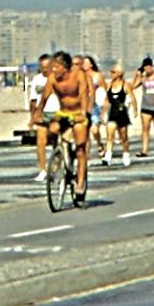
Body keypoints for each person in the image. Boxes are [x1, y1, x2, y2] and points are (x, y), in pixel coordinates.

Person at [39, 50, 93, 201]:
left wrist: (83, 113)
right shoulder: (52, 79)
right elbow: (44, 97)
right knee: (53, 129)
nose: (53, 70)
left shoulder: (78, 75)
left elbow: (83, 94)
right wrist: (37, 114)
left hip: (78, 113)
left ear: (64, 67)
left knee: (81, 149)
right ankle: (58, 157)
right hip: (63, 112)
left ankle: (80, 183)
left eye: (56, 67)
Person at [132, 56, 154, 157]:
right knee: (145, 129)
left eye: (148, 67)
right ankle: (144, 150)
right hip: (145, 106)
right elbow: (132, 86)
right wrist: (136, 76)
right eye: (145, 68)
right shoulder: (143, 78)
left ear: (152, 67)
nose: (147, 70)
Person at [104, 61, 137, 165]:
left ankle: (126, 154)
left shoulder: (125, 85)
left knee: (124, 137)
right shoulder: (109, 85)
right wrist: (103, 112)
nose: (111, 74)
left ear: (119, 73)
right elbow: (106, 100)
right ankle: (108, 155)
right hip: (112, 113)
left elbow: (132, 98)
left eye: (113, 72)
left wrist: (135, 109)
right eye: (111, 72)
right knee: (110, 134)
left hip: (122, 113)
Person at [28, 55, 55, 182]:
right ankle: (42, 170)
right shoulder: (37, 80)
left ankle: (55, 167)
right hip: (42, 113)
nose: (45, 70)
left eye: (47, 67)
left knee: (56, 141)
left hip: (56, 112)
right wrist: (32, 117)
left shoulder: (56, 78)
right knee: (40, 142)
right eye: (42, 67)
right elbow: (33, 100)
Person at [83, 56, 108, 159]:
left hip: (95, 105)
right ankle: (86, 155)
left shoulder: (98, 76)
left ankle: (99, 144)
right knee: (85, 132)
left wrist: (105, 106)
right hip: (83, 105)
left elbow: (105, 90)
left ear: (91, 64)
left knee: (94, 130)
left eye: (86, 63)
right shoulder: (80, 76)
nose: (84, 65)